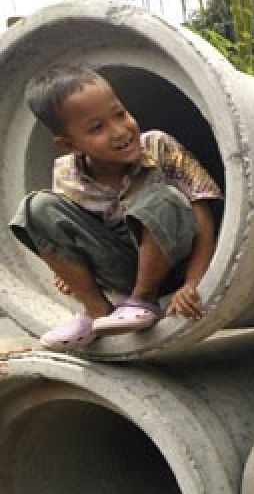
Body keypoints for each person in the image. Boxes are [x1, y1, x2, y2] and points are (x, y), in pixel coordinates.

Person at [9, 64, 221, 349]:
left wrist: (194, 284)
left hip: (174, 263)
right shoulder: (65, 173)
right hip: (120, 266)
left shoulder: (158, 146)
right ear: (68, 144)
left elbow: (202, 214)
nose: (120, 131)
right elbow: (68, 234)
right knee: (37, 207)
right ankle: (96, 311)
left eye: (120, 114)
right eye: (97, 128)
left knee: (162, 198)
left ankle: (144, 299)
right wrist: (67, 273)